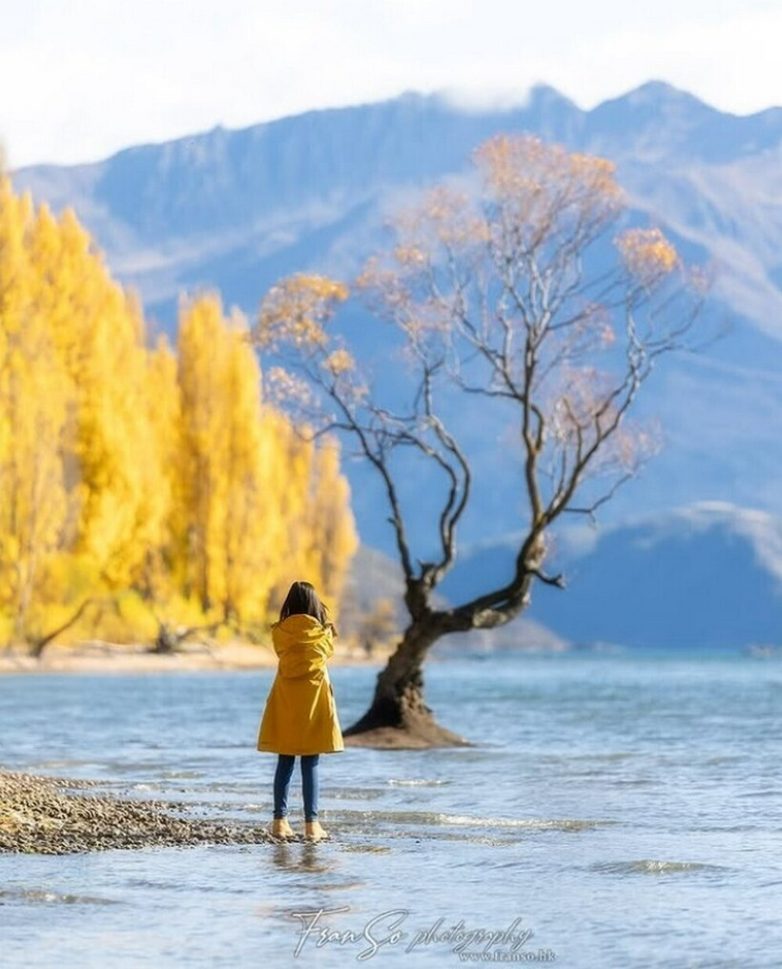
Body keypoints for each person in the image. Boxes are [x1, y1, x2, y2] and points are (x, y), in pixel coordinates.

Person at [257, 580, 344, 841]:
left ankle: (279, 822)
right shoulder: (323, 635)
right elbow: (329, 649)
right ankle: (311, 825)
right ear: (315, 605)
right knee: (310, 761)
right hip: (314, 701)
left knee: (285, 760)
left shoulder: (279, 634)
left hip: (286, 700)